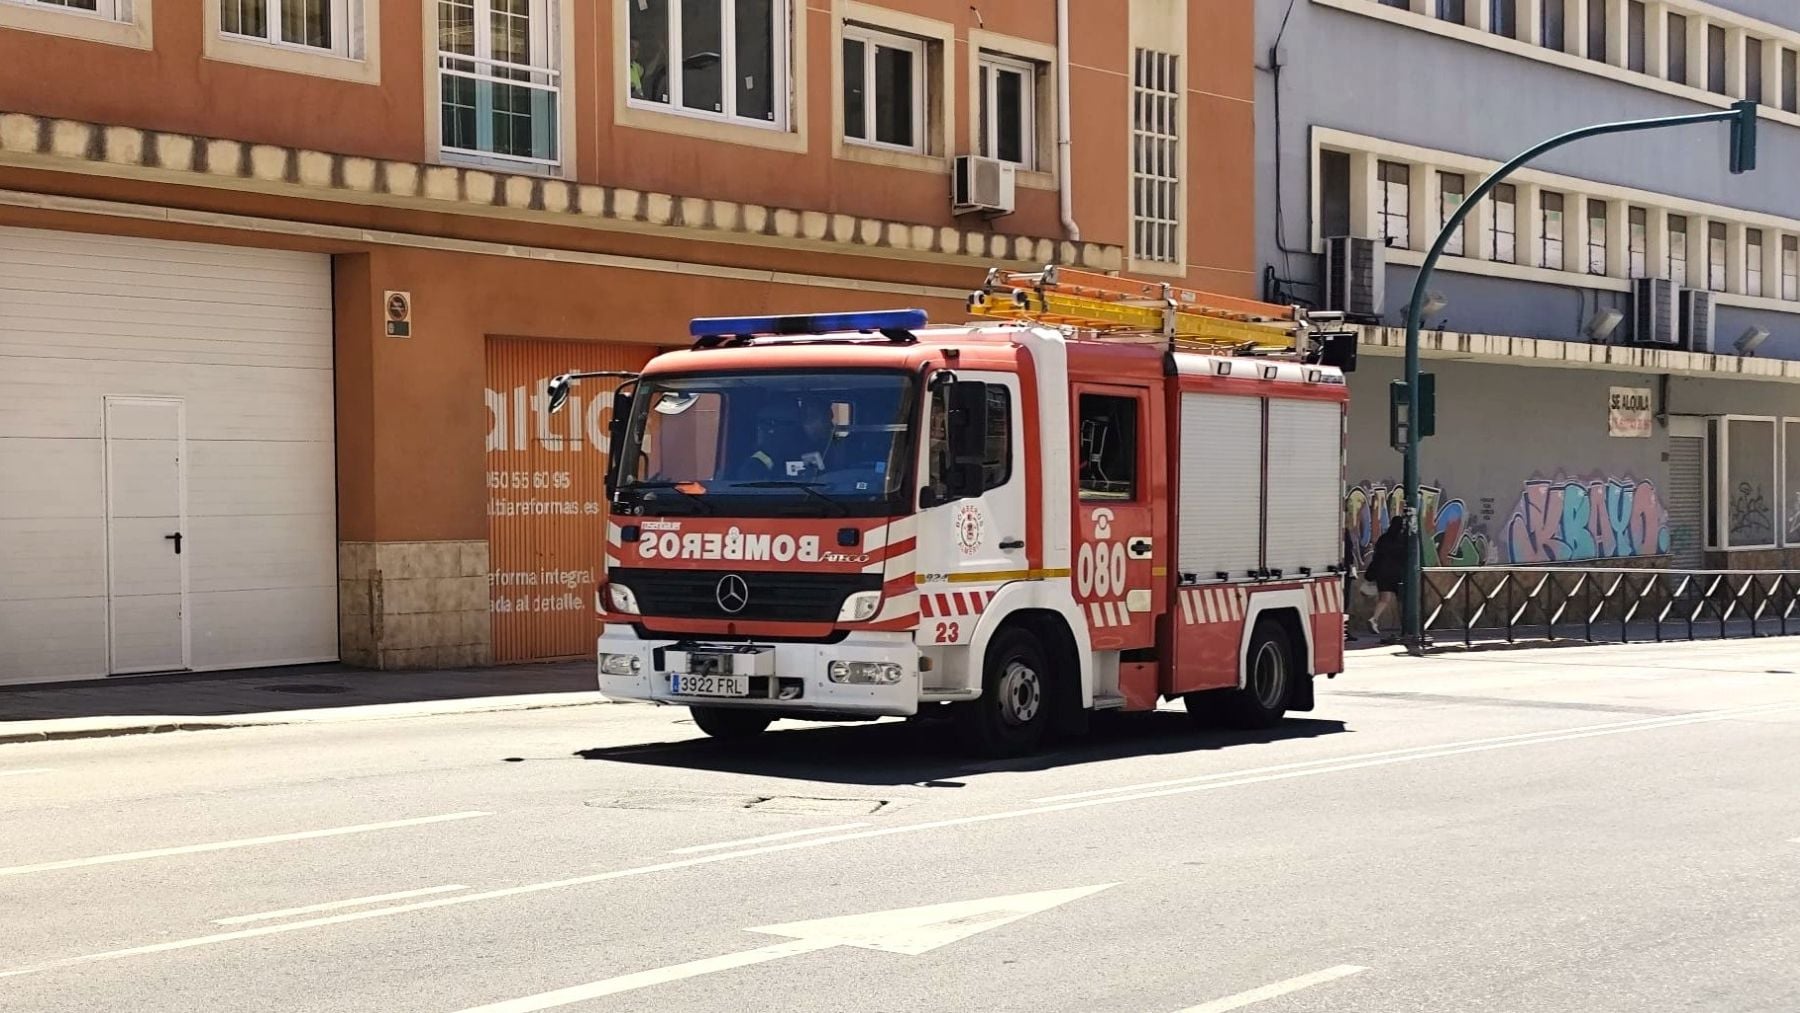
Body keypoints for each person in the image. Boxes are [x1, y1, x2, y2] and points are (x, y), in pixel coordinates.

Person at [1365, 515, 1408, 641]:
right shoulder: (1402, 539)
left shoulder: (1384, 538)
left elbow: (1377, 554)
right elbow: (1405, 556)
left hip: (1382, 573)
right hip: (1396, 573)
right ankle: (1405, 624)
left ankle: (1374, 619)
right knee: (1403, 599)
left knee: (1384, 599)